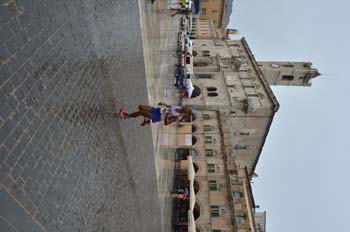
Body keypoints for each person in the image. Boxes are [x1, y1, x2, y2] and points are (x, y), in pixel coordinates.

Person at [122, 103, 194, 126]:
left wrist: (167, 115)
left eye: (186, 108)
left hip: (158, 116)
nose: (185, 106)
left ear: (185, 112)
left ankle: (126, 116)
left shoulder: (177, 117)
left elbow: (166, 123)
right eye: (187, 106)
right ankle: (146, 120)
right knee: (141, 107)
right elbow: (169, 107)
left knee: (142, 112)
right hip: (158, 110)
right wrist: (163, 104)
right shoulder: (179, 106)